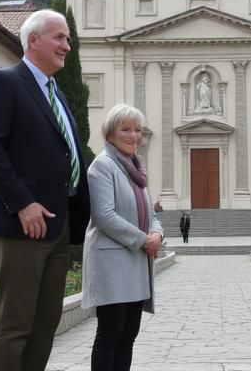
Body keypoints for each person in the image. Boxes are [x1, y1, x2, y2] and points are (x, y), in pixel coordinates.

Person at [0, 9, 91, 371]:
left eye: (68, 39)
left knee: (45, 324)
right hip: (21, 224)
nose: (66, 46)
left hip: (58, 224)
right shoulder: (5, 82)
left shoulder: (58, 93)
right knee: (16, 323)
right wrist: (24, 204)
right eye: (60, 37)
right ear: (33, 40)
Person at [82, 103, 164, 371]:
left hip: (136, 262)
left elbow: (149, 212)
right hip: (112, 263)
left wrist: (156, 233)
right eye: (126, 129)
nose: (133, 135)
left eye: (138, 130)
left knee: (129, 334)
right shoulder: (102, 166)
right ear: (110, 133)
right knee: (110, 333)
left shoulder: (136, 170)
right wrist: (144, 240)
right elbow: (105, 216)